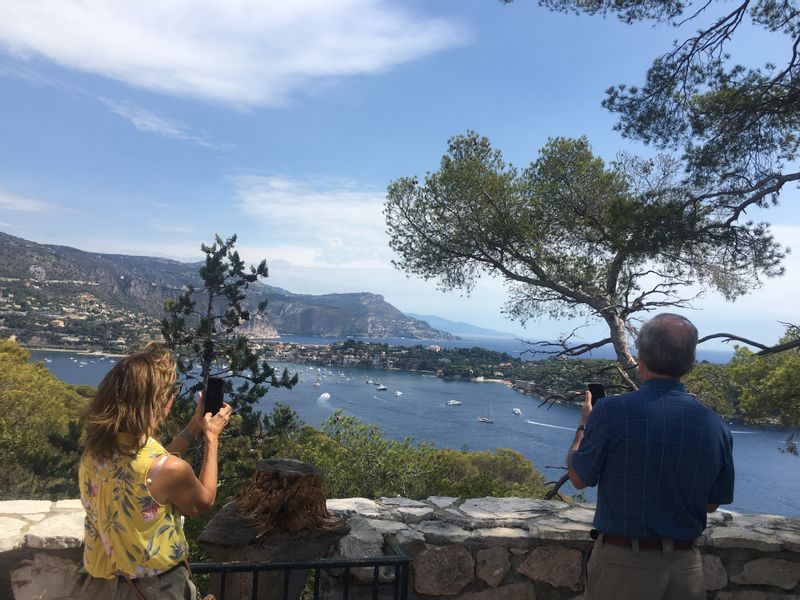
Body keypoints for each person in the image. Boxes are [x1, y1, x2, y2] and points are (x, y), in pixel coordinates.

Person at [566, 313, 734, 600]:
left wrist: (583, 425)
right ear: (691, 362)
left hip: (623, 566)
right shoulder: (714, 424)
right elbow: (711, 503)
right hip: (685, 568)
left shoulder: (610, 412)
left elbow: (579, 479)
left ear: (640, 357)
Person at [79, 343, 232, 599]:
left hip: (99, 583)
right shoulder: (168, 469)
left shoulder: (94, 453)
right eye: (172, 390)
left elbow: (150, 466)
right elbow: (203, 502)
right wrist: (211, 438)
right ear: (160, 401)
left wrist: (194, 427)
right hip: (154, 587)